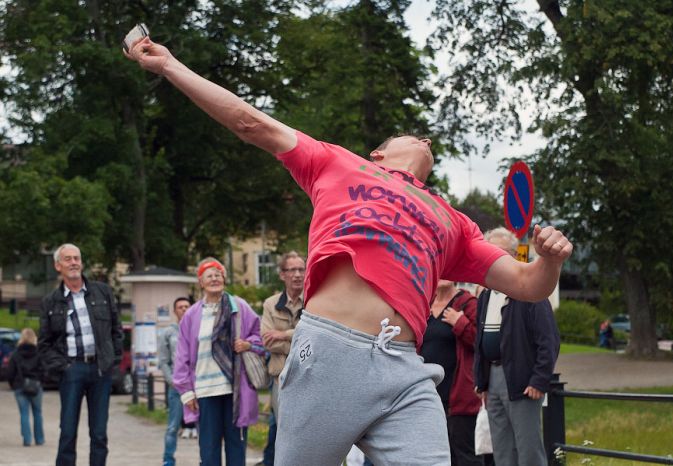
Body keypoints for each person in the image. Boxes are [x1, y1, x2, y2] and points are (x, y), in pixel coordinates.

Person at [125, 38, 573, 465]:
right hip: (329, 353)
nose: (426, 141)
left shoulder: (453, 221)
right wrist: (168, 65)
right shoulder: (336, 162)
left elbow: (527, 285)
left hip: (403, 368)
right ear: (378, 154)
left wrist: (549, 260)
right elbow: (249, 120)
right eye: (410, 136)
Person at [473, 227, 561, 466]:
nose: (492, 258)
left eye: (499, 253)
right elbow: (479, 341)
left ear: (513, 255)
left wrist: (539, 380)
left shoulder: (530, 292)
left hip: (522, 381)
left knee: (528, 449)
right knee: (501, 449)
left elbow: (549, 340)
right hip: (493, 380)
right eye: (488, 252)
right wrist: (481, 381)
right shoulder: (485, 295)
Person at [173, 257, 264, 466]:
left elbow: (259, 335)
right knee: (209, 450)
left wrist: (247, 344)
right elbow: (182, 355)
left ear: (224, 278)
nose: (214, 278)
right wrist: (186, 391)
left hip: (235, 390)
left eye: (218, 274)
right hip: (205, 390)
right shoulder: (192, 315)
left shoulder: (239, 307)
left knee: (236, 447)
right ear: (201, 283)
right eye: (209, 276)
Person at [38, 243, 123, 466]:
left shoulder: (102, 291)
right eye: (68, 259)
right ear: (58, 266)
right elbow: (44, 344)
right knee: (67, 432)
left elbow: (116, 330)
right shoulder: (50, 301)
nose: (74, 262)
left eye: (77, 258)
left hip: (99, 370)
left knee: (99, 434)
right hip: (71, 370)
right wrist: (63, 367)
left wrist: (112, 361)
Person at [421, 280, 481, 465]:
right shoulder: (424, 305)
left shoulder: (467, 303)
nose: (443, 275)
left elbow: (482, 342)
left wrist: (460, 323)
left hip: (458, 397)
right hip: (428, 395)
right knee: (434, 456)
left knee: (464, 456)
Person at [257, 252, 305, 466]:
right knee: (278, 430)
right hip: (280, 379)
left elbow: (317, 338)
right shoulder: (270, 304)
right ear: (282, 275)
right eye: (292, 270)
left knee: (307, 430)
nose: (297, 275)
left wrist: (284, 334)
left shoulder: (316, 300)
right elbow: (267, 341)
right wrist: (299, 339)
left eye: (301, 269)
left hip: (308, 377)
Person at [158, 296, 192, 466]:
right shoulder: (168, 332)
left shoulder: (198, 329)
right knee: (173, 426)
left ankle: (205, 459)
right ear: (175, 311)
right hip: (177, 387)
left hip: (197, 387)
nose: (184, 309)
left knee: (203, 427)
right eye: (180, 307)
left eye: (187, 306)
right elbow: (163, 361)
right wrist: (172, 381)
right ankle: (168, 460)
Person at [7, 327, 45, 447]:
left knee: (24, 413)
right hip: (36, 386)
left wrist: (14, 384)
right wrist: (40, 381)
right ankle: (39, 439)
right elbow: (44, 370)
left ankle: (27, 440)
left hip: (20, 386)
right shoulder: (39, 353)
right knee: (37, 413)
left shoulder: (15, 354)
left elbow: (10, 372)